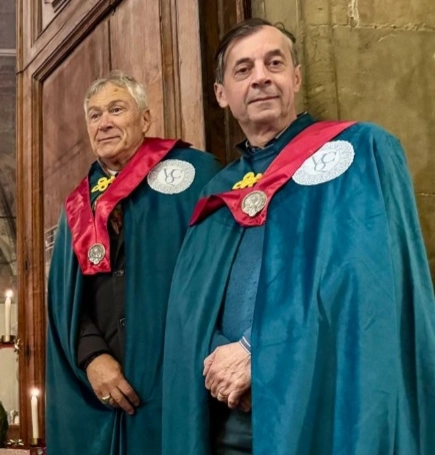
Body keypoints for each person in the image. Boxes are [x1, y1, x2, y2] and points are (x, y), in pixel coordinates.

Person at [161, 18, 435, 455]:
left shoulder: (358, 152)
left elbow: (365, 290)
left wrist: (257, 351)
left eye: (274, 63)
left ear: (296, 76)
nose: (261, 77)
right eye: (243, 69)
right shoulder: (217, 189)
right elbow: (190, 307)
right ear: (221, 94)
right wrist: (219, 359)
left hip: (321, 414)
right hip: (224, 424)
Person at [45, 72, 220, 455]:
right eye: (94, 115)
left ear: (145, 119)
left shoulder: (196, 175)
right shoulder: (78, 205)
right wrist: (91, 356)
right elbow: (63, 301)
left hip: (179, 377)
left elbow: (225, 271)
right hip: (104, 394)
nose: (103, 122)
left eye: (116, 109)